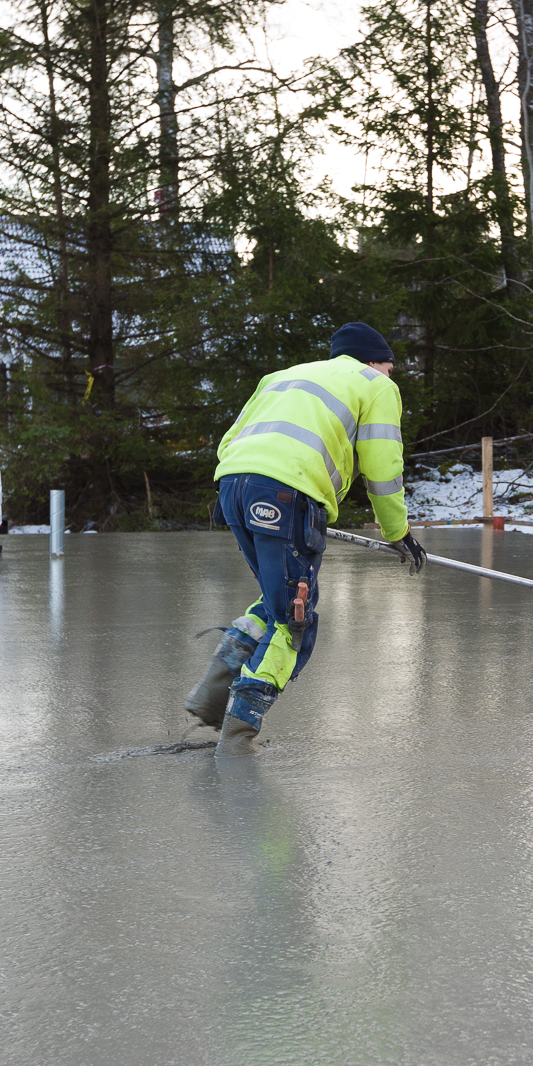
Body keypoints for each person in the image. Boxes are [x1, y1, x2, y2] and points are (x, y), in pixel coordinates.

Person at [186, 322, 427, 754]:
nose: (391, 377)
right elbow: (383, 465)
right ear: (375, 361)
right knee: (294, 619)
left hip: (233, 486)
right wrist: (397, 531)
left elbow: (230, 440)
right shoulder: (376, 385)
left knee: (275, 597)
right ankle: (238, 737)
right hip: (285, 493)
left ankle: (212, 693)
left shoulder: (283, 375)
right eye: (390, 368)